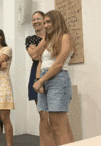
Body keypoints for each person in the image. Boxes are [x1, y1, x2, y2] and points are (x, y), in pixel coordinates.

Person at [33, 10, 75, 145]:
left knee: (58, 127)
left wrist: (41, 81)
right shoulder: (49, 40)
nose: (45, 25)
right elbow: (36, 57)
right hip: (44, 81)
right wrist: (39, 79)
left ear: (57, 21)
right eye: (44, 22)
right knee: (55, 125)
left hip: (58, 79)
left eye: (48, 22)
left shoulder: (65, 37)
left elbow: (58, 64)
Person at [25, 11, 55, 146]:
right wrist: (45, 43)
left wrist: (37, 49)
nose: (35, 21)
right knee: (43, 116)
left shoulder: (54, 36)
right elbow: (35, 57)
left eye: (38, 19)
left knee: (55, 115)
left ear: (45, 21)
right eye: (33, 20)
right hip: (36, 74)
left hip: (52, 72)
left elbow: (42, 53)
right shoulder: (30, 38)